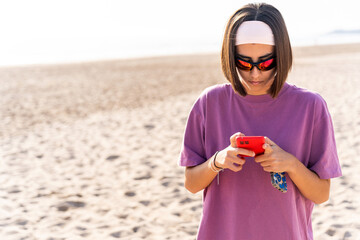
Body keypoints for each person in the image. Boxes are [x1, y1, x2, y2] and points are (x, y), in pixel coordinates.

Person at [178, 3, 342, 240]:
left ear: (281, 55)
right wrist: (217, 161)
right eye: (244, 63)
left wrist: (291, 164)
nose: (255, 74)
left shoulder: (311, 106)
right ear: (230, 56)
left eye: (265, 63)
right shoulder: (209, 103)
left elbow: (321, 194)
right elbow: (191, 183)